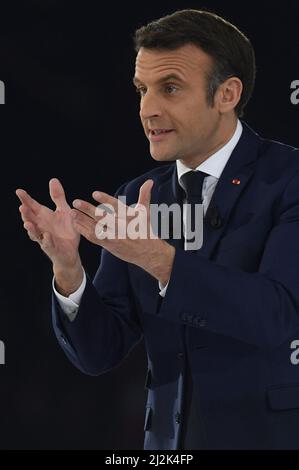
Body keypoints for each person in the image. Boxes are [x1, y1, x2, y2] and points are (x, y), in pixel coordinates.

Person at [16, 9, 299, 450]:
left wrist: (157, 258)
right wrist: (69, 271)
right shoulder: (137, 195)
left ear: (227, 94)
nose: (148, 108)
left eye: (169, 87)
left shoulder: (289, 180)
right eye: (141, 90)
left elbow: (280, 316)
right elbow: (99, 353)